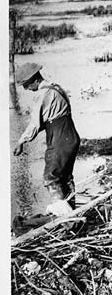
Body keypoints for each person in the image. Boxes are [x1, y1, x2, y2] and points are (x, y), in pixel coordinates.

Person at [13, 63, 80, 217]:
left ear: (34, 79)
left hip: (59, 139)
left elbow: (35, 124)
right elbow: (53, 117)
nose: (26, 89)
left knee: (50, 178)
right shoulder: (57, 88)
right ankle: (73, 212)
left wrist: (21, 141)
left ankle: (64, 218)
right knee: (65, 177)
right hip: (71, 136)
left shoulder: (42, 94)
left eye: (26, 84)